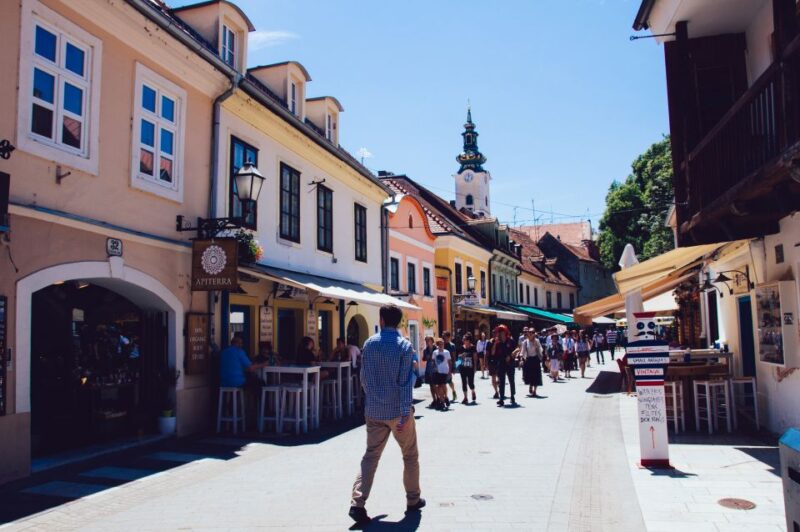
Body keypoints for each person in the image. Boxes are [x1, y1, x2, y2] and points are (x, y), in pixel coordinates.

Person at [349, 305, 424, 526]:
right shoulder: (404, 346)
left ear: (381, 320)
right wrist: (404, 413)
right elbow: (405, 382)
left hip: (373, 410)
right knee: (410, 456)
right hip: (397, 411)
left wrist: (372, 398)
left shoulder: (369, 344)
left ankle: (357, 503)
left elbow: (363, 378)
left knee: (370, 456)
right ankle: (413, 500)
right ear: (400, 322)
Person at [493, 325, 517, 407]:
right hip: (501, 363)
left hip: (510, 363)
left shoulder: (511, 341)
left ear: (505, 332)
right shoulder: (497, 343)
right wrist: (495, 344)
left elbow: (517, 348)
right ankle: (501, 398)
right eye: (499, 332)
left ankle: (512, 396)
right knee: (501, 381)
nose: (501, 333)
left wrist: (511, 355)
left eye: (502, 332)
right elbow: (493, 353)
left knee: (511, 380)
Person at [520, 329, 543, 397]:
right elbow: (522, 351)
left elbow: (540, 349)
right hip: (528, 359)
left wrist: (537, 347)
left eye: (532, 332)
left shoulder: (537, 341)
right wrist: (521, 359)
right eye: (529, 332)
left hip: (535, 359)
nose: (531, 334)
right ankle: (530, 385)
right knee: (529, 375)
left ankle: (534, 391)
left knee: (536, 375)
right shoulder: (525, 342)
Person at [432, 338, 453, 410]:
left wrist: (450, 372)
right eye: (440, 344)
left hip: (445, 371)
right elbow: (433, 361)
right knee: (439, 386)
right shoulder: (435, 352)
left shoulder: (446, 352)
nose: (441, 345)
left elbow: (450, 362)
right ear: (437, 345)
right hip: (437, 372)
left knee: (443, 385)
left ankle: (446, 397)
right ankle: (442, 401)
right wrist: (434, 367)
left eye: (442, 344)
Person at [458, 333, 478, 404]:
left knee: (470, 382)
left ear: (468, 341)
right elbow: (459, 358)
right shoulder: (461, 348)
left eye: (465, 339)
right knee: (464, 382)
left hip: (470, 368)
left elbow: (475, 358)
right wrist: (461, 356)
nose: (463, 340)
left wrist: (475, 367)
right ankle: (465, 397)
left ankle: (473, 391)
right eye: (463, 339)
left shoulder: (473, 347)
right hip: (463, 367)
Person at [421, 336, 437, 408]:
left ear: (432, 341)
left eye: (428, 340)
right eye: (426, 341)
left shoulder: (436, 349)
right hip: (429, 369)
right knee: (431, 385)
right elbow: (423, 359)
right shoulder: (425, 350)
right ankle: (434, 399)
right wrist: (425, 357)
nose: (427, 342)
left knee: (435, 385)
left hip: (436, 369)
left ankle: (439, 398)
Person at [442, 331, 458, 402]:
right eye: (443, 336)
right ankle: (445, 397)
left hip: (449, 365)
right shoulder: (441, 344)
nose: (443, 337)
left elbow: (454, 357)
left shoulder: (452, 345)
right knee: (443, 382)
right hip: (442, 366)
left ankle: (453, 391)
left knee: (449, 381)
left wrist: (454, 367)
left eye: (444, 336)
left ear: (448, 337)